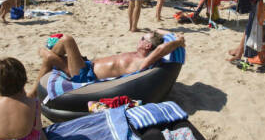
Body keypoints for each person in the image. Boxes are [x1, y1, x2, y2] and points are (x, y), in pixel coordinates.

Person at [28, 30, 185, 97]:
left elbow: (162, 49)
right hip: (86, 65)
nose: (140, 39)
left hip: (84, 75)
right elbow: (157, 30)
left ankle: (42, 50)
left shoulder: (143, 61)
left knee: (67, 40)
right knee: (51, 58)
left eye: (143, 38)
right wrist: (169, 34)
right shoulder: (136, 54)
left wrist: (178, 41)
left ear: (148, 46)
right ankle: (33, 93)